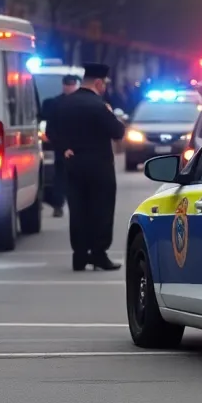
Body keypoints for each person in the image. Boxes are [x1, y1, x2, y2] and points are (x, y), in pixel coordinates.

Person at [47, 62, 125, 270]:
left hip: (74, 165)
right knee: (102, 209)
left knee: (78, 209)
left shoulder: (64, 104)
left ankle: (79, 256)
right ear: (98, 83)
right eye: (105, 84)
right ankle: (99, 254)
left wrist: (64, 149)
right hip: (100, 166)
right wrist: (111, 112)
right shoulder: (99, 106)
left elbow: (51, 131)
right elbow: (118, 132)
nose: (105, 87)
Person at [41, 74, 79, 218]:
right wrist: (62, 147)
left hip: (81, 148)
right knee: (61, 178)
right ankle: (58, 206)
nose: (69, 88)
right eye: (67, 85)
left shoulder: (84, 103)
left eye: (72, 85)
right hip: (62, 147)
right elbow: (50, 129)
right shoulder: (55, 104)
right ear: (63, 86)